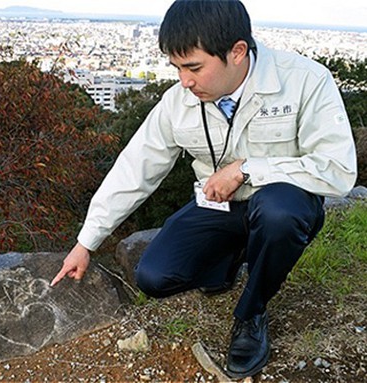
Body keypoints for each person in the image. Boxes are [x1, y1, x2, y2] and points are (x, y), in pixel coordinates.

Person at [51, 0, 357, 378]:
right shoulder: (179, 101)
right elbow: (135, 168)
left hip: (283, 202)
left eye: (194, 67)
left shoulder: (305, 80)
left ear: (237, 51)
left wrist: (247, 170)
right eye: (177, 67)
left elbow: (339, 170)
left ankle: (251, 313)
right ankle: (234, 260)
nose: (184, 81)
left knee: (279, 213)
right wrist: (86, 242)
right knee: (155, 277)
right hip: (220, 208)